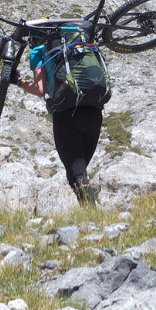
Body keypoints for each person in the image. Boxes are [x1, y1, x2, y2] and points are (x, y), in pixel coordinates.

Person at [13, 39, 104, 205]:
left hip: (66, 115)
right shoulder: (80, 44)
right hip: (94, 111)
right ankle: (91, 218)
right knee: (80, 171)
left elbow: (39, 90)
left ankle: (94, 218)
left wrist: (19, 82)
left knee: (76, 173)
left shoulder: (40, 51)